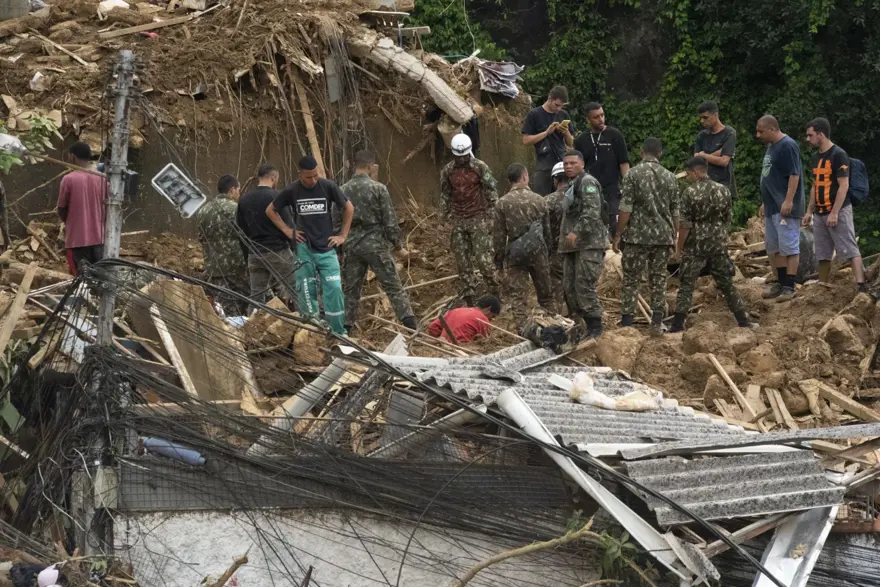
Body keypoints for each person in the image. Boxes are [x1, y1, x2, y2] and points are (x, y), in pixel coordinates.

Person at [267, 156, 354, 335]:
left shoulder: (328, 186)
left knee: (335, 288)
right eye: (308, 177)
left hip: (327, 247)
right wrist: (287, 230)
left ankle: (338, 332)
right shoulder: (292, 190)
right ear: (300, 175)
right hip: (304, 248)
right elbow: (270, 210)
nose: (313, 180)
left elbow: (349, 207)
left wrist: (343, 235)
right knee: (306, 289)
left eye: (315, 175)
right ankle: (311, 333)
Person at [670, 157, 752, 332]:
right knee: (727, 284)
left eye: (690, 173)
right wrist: (719, 236)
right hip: (717, 244)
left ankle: (677, 325)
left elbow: (685, 224)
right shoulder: (723, 190)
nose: (688, 177)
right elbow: (728, 219)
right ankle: (744, 321)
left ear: (697, 172)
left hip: (696, 245)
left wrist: (679, 248)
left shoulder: (690, 193)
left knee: (686, 285)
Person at [340, 151, 417, 331]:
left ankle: (346, 328)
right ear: (370, 166)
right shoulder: (379, 189)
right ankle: (411, 326)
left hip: (352, 246)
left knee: (351, 291)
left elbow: (335, 219)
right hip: (376, 246)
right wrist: (398, 246)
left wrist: (339, 248)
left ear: (354, 166)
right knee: (393, 287)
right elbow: (389, 221)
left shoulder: (342, 190)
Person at [614, 138, 679, 335]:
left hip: (636, 237)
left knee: (631, 279)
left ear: (642, 152)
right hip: (662, 237)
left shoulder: (632, 174)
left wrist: (618, 233)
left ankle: (626, 324)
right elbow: (676, 210)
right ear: (660, 154)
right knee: (658, 279)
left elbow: (626, 208)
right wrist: (674, 235)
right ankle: (656, 323)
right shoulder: (670, 177)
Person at [803, 117, 867, 292]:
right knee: (822, 253)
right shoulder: (817, 157)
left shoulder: (838, 154)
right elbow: (815, 185)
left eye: (810, 135)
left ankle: (861, 285)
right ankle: (822, 286)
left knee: (849, 247)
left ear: (821, 134)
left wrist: (835, 212)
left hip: (838, 211)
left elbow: (843, 185)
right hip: (820, 212)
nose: (808, 139)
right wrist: (810, 210)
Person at [439, 133, 500, 305]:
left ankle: (495, 294)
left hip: (478, 218)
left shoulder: (480, 167)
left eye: (464, 156)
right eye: (459, 157)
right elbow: (445, 194)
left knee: (484, 260)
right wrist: (442, 217)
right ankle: (469, 299)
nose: (462, 159)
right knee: (463, 262)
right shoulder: (448, 171)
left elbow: (491, 191)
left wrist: (492, 216)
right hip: (459, 220)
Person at [493, 163, 554, 331]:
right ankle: (552, 328)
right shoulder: (540, 200)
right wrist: (548, 253)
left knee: (518, 298)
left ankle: (524, 332)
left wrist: (499, 263)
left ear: (508, 180)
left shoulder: (501, 203)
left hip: (515, 254)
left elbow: (498, 237)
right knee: (546, 296)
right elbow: (547, 231)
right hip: (538, 253)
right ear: (525, 176)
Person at [756, 115, 805, 302]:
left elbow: (794, 174)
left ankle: (789, 286)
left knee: (789, 246)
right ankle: (780, 281)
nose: (758, 135)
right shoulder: (771, 147)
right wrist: (765, 201)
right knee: (773, 246)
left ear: (772, 128)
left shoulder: (788, 145)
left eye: (761, 131)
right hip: (771, 206)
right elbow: (770, 176)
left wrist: (789, 200)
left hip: (784, 206)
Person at [559, 150, 607, 338]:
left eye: (572, 163)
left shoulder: (587, 182)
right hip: (574, 246)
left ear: (582, 164)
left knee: (584, 285)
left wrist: (576, 232)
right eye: (566, 164)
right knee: (569, 287)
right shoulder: (573, 184)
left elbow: (592, 212)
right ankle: (581, 326)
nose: (569, 166)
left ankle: (595, 327)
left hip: (588, 244)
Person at [235, 165, 297, 308]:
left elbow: (241, 232)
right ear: (273, 177)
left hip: (255, 254)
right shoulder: (277, 197)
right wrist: (295, 249)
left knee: (256, 296)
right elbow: (288, 227)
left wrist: (248, 256)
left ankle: (250, 325)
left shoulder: (244, 199)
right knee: (296, 290)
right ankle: (308, 324)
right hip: (278, 252)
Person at [573, 102, 630, 236]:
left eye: (602, 115)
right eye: (596, 117)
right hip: (590, 189)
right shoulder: (582, 139)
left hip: (612, 189)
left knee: (614, 225)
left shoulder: (614, 134)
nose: (601, 119)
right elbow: (578, 166)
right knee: (592, 223)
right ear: (588, 119)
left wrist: (628, 187)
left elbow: (624, 163)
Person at [196, 175, 249, 315]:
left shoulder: (203, 210)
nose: (239, 193)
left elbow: (201, 238)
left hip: (215, 268)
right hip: (237, 266)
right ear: (232, 190)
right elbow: (246, 236)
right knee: (250, 302)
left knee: (228, 309)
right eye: (238, 189)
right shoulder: (236, 209)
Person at [57, 142, 107, 276]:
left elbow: (61, 209)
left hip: (77, 241)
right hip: (100, 240)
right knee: (100, 280)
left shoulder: (68, 179)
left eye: (69, 156)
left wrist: (69, 222)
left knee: (80, 282)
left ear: (73, 157)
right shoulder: (102, 178)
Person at [521, 86, 576, 195]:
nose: (559, 109)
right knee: (541, 198)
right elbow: (526, 140)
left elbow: (570, 143)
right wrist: (546, 133)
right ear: (550, 99)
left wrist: (566, 132)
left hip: (562, 162)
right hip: (544, 164)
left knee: (565, 197)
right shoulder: (534, 114)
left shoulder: (563, 115)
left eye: (562, 106)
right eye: (557, 105)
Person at [694, 101, 737, 198]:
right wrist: (719, 152)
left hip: (723, 186)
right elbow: (696, 161)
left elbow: (724, 161)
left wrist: (704, 155)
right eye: (700, 118)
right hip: (704, 185)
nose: (702, 121)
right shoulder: (702, 136)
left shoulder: (729, 133)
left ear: (715, 115)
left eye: (705, 117)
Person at [544, 161, 569, 310]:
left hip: (555, 251)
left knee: (557, 285)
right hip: (578, 250)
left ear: (555, 180)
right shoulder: (581, 197)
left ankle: (560, 313)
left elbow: (543, 229)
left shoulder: (547, 201)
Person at [427, 295, 501, 343]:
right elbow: (486, 342)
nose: (491, 320)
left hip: (443, 348)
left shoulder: (455, 310)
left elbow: (433, 327)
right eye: (492, 316)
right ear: (488, 309)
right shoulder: (483, 319)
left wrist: (441, 341)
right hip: (462, 351)